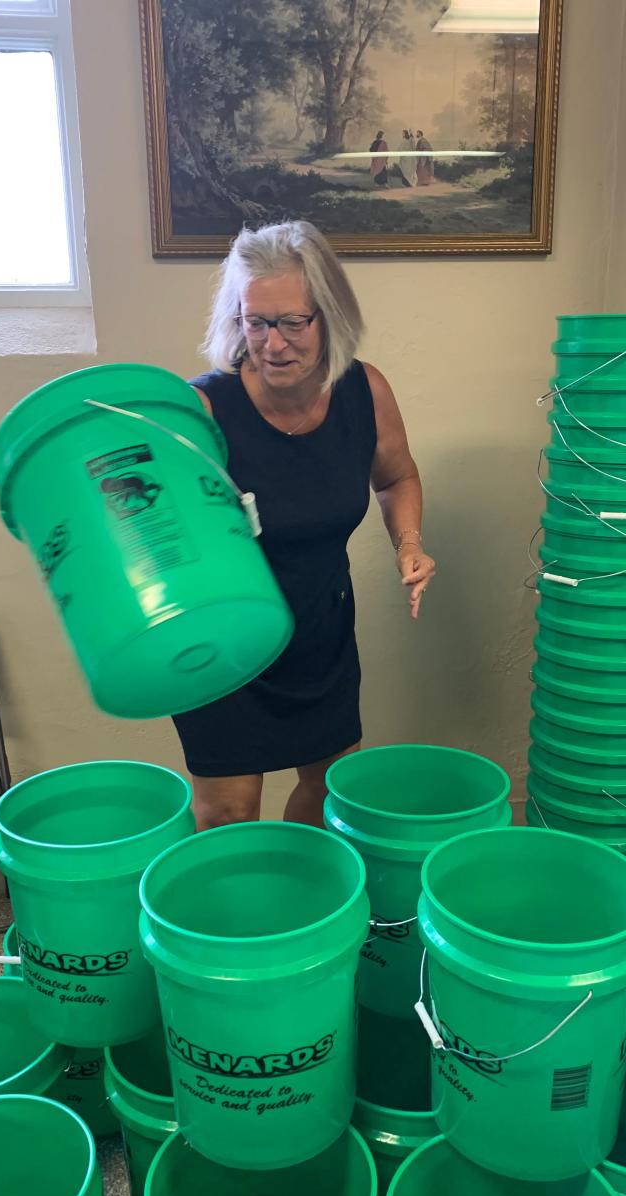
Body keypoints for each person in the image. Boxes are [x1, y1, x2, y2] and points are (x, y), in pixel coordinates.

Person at [177, 220, 436, 830]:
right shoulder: (202, 409)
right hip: (225, 643)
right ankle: (237, 924)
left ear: (330, 317)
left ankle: (301, 912)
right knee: (230, 809)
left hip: (319, 632)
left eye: (294, 321)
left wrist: (409, 545)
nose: (273, 343)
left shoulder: (363, 392)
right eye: (256, 321)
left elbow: (396, 477)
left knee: (328, 793)